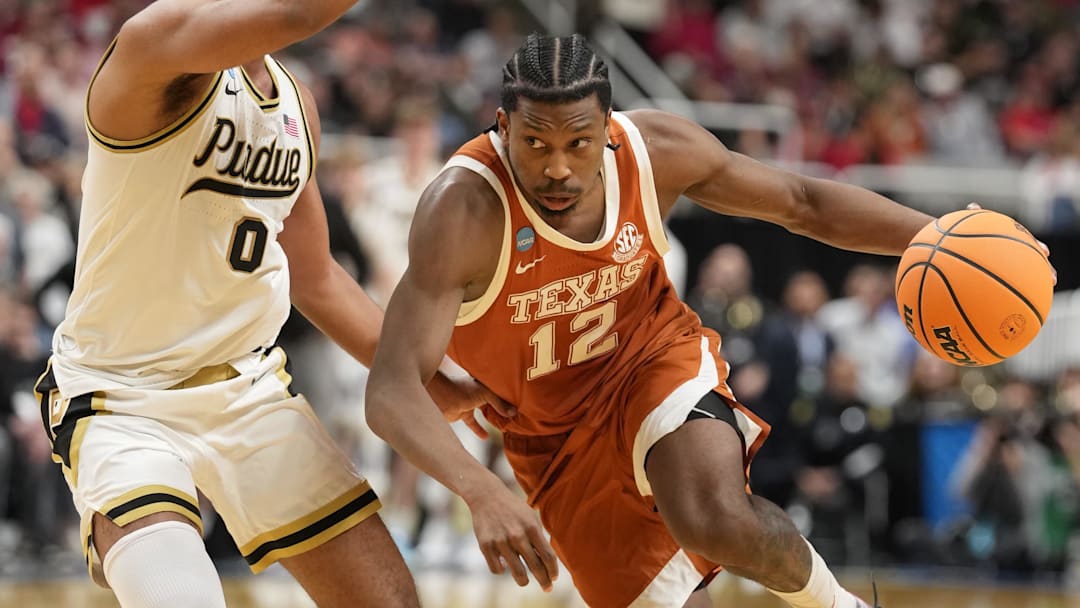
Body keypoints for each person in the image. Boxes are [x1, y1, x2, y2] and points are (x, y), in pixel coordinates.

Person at [365, 33, 954, 608]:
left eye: (579, 143)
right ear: (502, 126)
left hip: (649, 357)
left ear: (608, 130)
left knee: (715, 518)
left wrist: (936, 237)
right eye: (535, 144)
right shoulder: (462, 210)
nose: (559, 169)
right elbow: (391, 390)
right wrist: (482, 490)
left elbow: (802, 202)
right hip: (552, 436)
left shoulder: (656, 151)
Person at [32, 2, 503, 606]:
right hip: (122, 398)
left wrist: (426, 378)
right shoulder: (153, 45)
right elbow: (294, 16)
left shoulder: (295, 103)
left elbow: (318, 278)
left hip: (247, 391)